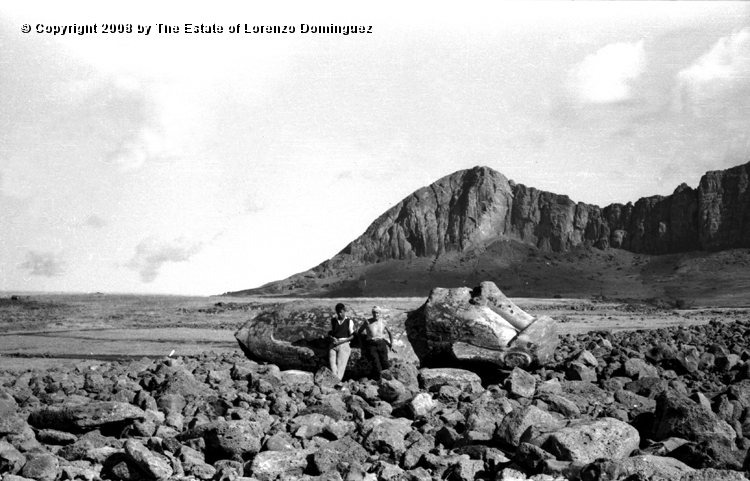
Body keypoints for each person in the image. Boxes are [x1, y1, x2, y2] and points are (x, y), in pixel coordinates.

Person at [357, 305, 394, 380]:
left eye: (377, 313)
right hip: (371, 344)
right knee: (376, 362)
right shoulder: (368, 322)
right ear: (372, 313)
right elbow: (359, 332)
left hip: (381, 343)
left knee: (385, 362)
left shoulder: (383, 322)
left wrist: (391, 344)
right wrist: (361, 344)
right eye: (374, 313)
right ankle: (380, 380)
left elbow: (390, 333)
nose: (375, 314)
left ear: (380, 313)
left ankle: (388, 379)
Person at [328, 303, 355, 382]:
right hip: (334, 342)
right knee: (332, 363)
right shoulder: (333, 321)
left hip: (344, 343)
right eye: (338, 312)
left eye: (341, 312)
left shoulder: (349, 321)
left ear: (344, 311)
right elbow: (329, 333)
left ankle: (337, 381)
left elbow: (353, 336)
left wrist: (342, 341)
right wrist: (332, 338)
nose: (339, 314)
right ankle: (335, 380)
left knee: (341, 365)